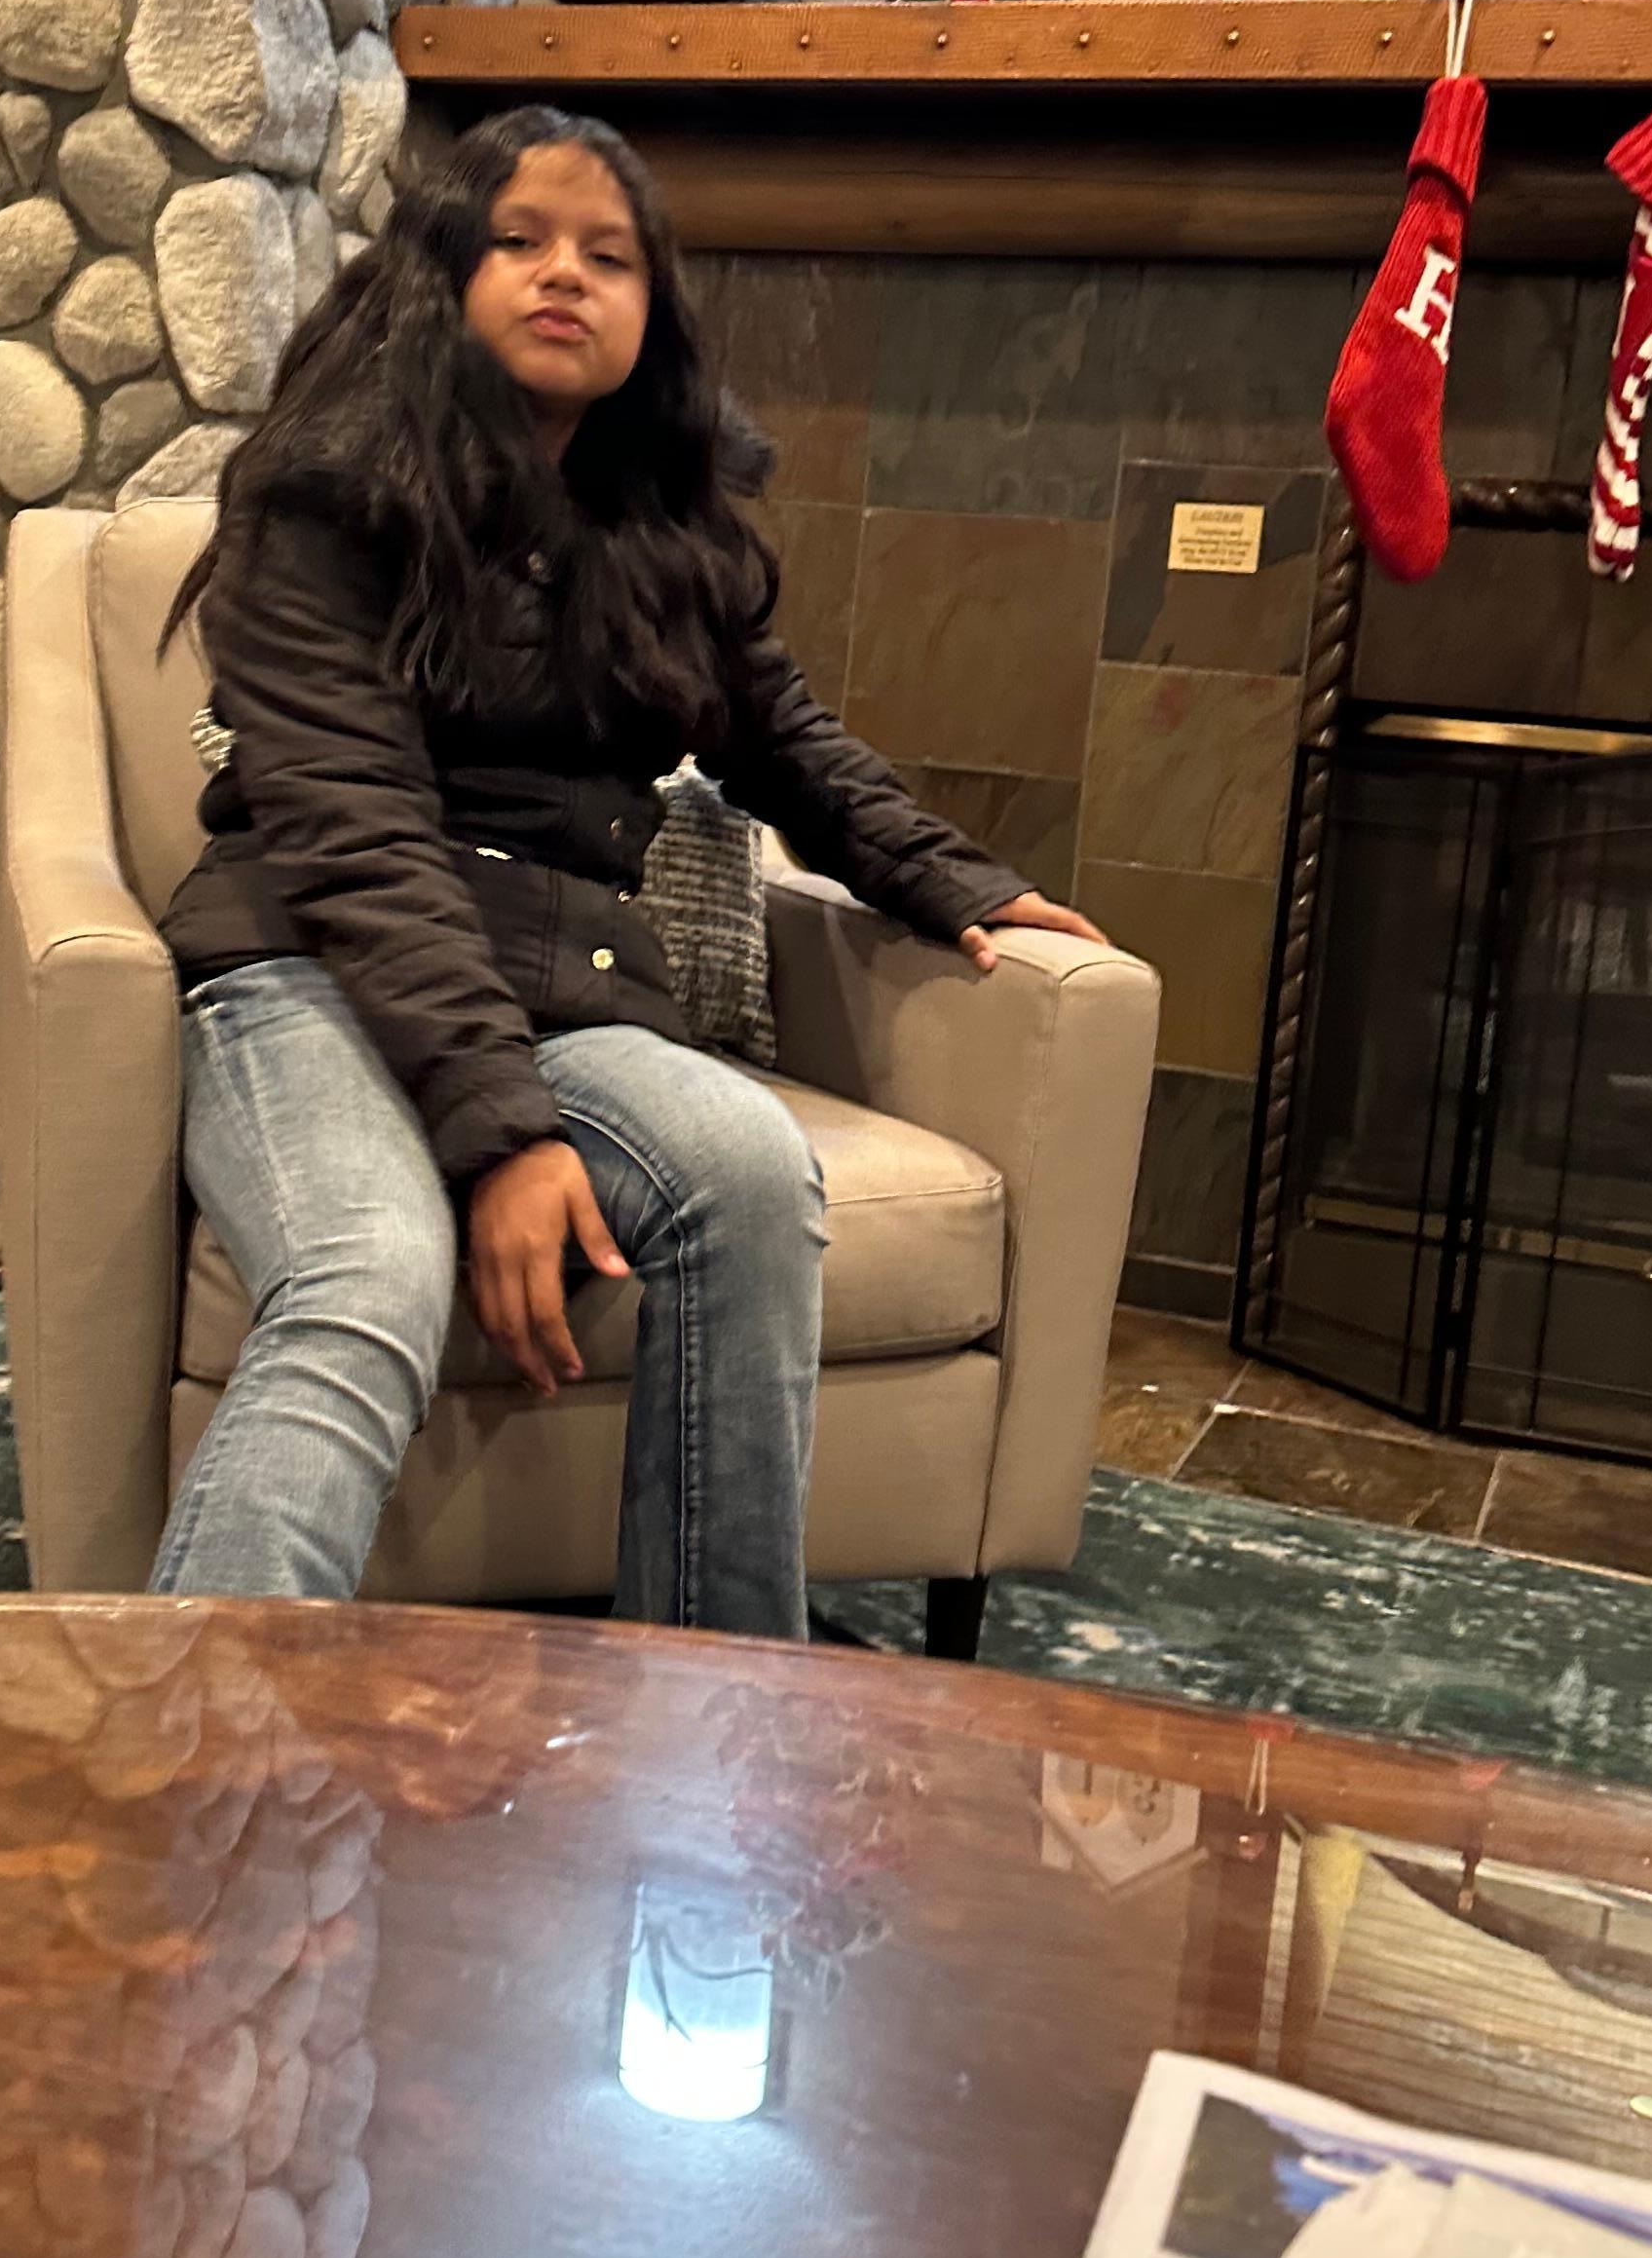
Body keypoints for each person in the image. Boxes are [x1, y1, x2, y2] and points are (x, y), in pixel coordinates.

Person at [151, 102, 1104, 1638]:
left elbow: (780, 737)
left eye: (608, 256)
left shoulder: (663, 530)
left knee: (748, 1172)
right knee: (371, 1271)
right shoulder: (322, 498)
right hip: (306, 962)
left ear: (651, 312)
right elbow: (355, 830)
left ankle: (712, 1697)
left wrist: (953, 880)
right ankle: (191, 1740)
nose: (565, 276)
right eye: (521, 240)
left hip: (560, 979)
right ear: (441, 271)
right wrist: (500, 1139)